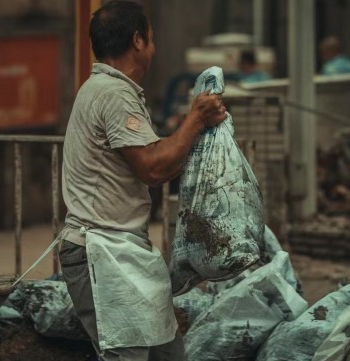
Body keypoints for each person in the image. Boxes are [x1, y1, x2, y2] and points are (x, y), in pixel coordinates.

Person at [56, 1, 226, 360]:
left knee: (168, 355)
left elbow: (159, 158)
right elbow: (152, 168)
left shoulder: (108, 90)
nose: (153, 46)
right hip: (102, 253)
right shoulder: (113, 94)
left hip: (124, 251)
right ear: (137, 40)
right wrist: (195, 119)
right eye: (151, 38)